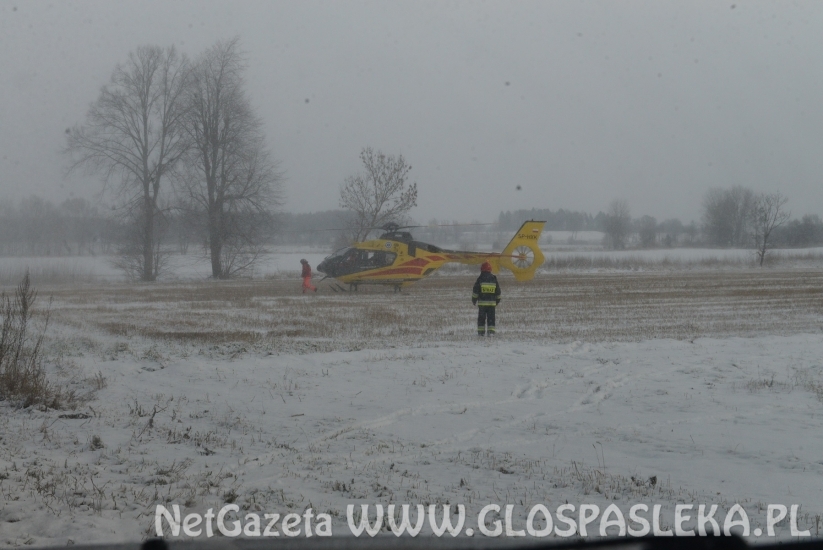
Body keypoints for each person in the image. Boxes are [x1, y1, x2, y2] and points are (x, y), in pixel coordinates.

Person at [472, 261, 500, 336]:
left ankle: (481, 333)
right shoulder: (494, 278)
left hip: (482, 304)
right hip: (491, 304)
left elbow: (475, 290)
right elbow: (498, 291)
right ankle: (491, 332)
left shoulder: (480, 279)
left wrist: (474, 300)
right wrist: (497, 301)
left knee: (481, 319)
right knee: (491, 319)